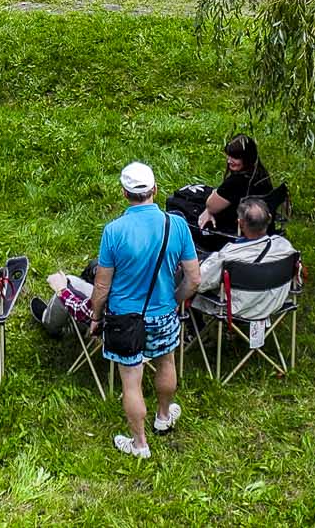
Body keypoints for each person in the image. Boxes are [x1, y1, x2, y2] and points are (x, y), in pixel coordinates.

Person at [91, 161, 199, 460]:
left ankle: (139, 443)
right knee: (166, 363)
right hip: (163, 313)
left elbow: (101, 287)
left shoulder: (113, 231)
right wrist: (174, 300)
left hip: (125, 318)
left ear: (124, 193)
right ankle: (164, 416)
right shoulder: (176, 225)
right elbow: (194, 278)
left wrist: (96, 317)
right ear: (155, 189)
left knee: (131, 379)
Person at [192, 197, 298, 324]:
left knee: (185, 278)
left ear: (240, 223)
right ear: (269, 218)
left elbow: (198, 282)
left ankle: (195, 331)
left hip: (237, 310)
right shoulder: (286, 247)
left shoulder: (229, 256)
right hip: (273, 304)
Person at [196, 134, 276, 236]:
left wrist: (208, 210)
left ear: (247, 158)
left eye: (235, 157)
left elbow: (211, 206)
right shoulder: (261, 174)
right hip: (260, 224)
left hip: (237, 229)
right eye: (229, 156)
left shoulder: (236, 182)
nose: (229, 161)